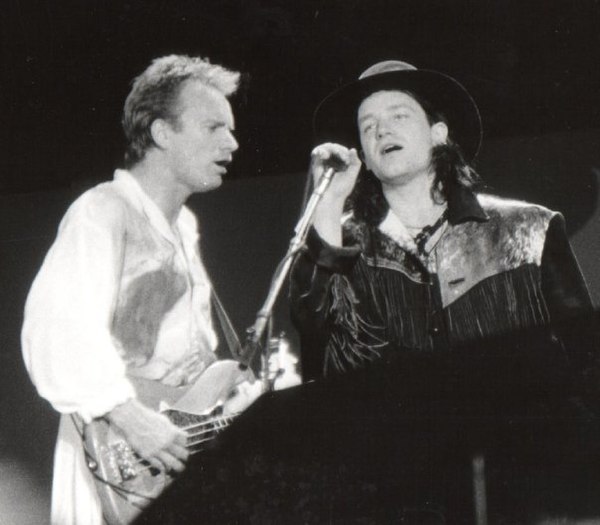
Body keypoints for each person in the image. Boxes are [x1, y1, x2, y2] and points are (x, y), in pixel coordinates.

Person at [21, 55, 255, 525]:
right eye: (214, 127)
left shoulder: (183, 226)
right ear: (162, 133)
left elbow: (190, 358)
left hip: (170, 450)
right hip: (120, 451)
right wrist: (130, 417)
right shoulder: (103, 211)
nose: (232, 143)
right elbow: (55, 332)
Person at [290, 59, 595, 382]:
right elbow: (311, 329)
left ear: (439, 134)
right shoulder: (341, 241)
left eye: (399, 115)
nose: (382, 130)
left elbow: (587, 357)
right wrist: (330, 202)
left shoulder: (530, 228)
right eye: (368, 126)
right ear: (364, 157)